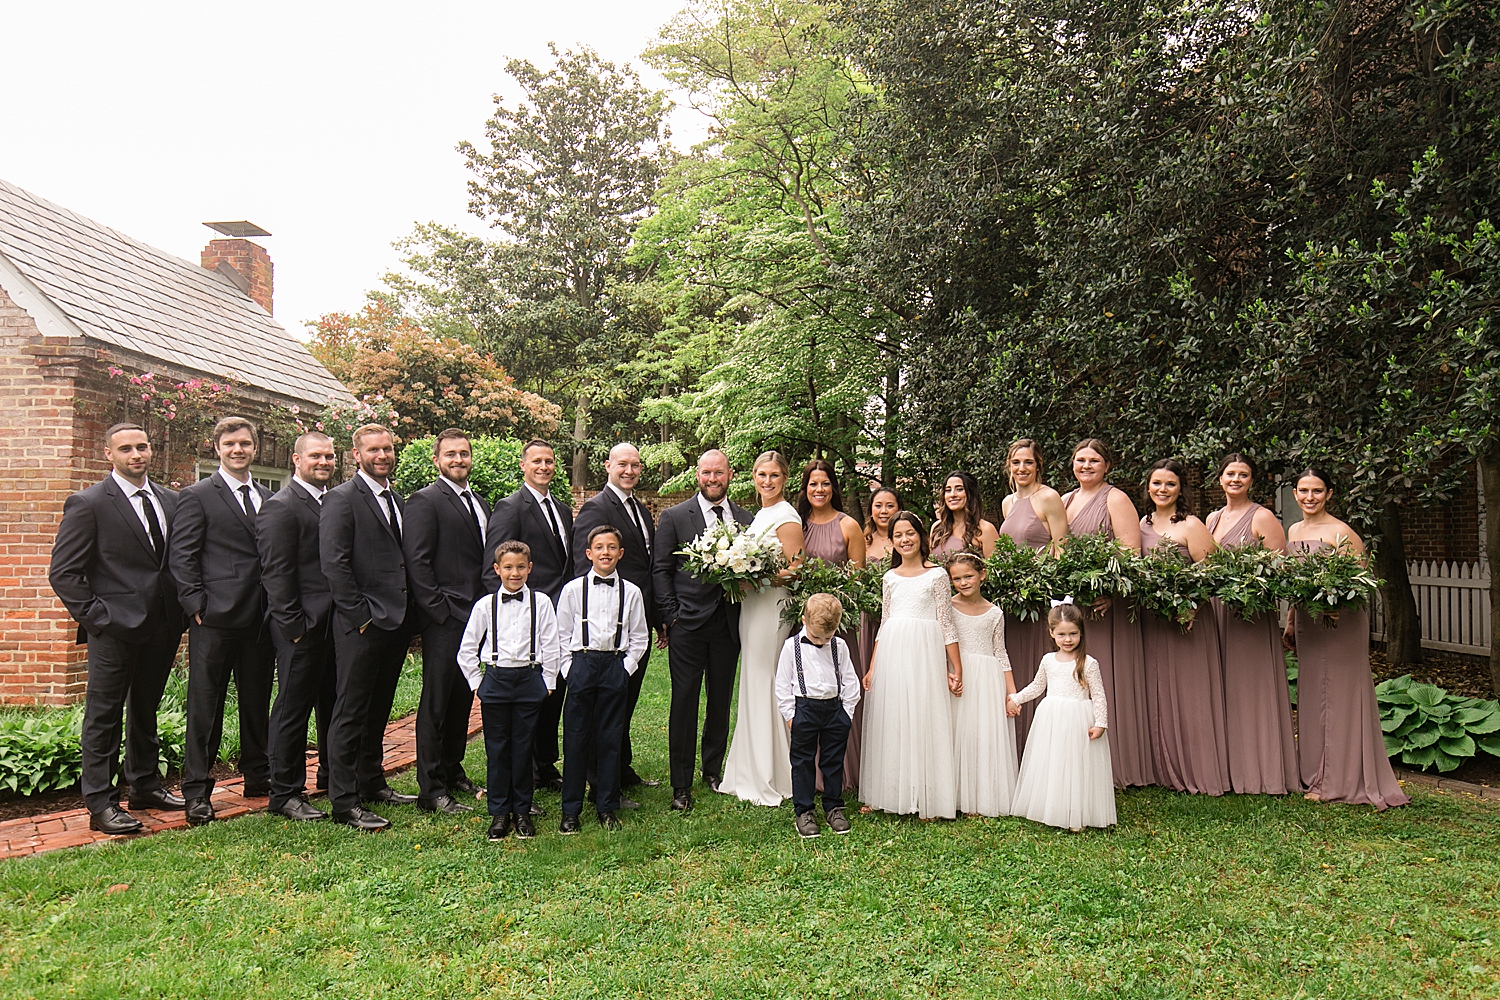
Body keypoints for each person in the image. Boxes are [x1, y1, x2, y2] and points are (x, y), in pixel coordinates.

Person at [49, 423, 187, 835]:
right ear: (109, 454)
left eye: (142, 446)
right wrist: (98, 619)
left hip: (161, 626)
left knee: (146, 710)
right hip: (112, 629)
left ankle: (145, 786)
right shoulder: (89, 503)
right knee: (104, 716)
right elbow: (64, 572)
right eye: (125, 448)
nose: (136, 455)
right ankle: (101, 803)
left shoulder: (171, 501)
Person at [168, 416, 275, 825]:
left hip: (260, 618)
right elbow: (182, 554)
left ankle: (257, 775)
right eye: (230, 444)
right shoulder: (197, 495)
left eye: (245, 443)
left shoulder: (267, 496)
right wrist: (195, 604)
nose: (238, 450)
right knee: (205, 705)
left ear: (254, 448)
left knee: (255, 700)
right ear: (218, 448)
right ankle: (197, 790)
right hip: (214, 619)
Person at [1284, 468, 1408, 810]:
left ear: (1329, 494)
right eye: (1304, 490)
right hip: (1309, 623)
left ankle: (1338, 779)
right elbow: (1296, 584)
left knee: (1339, 696)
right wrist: (1292, 621)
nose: (1310, 497)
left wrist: (1339, 603)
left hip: (1341, 624)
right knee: (1312, 695)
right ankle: (1315, 773)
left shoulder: (1342, 531)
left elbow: (1361, 580)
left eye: (1317, 491)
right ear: (1295, 493)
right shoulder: (1293, 530)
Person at [320, 423, 418, 832]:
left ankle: (372, 781)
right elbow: (334, 563)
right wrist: (359, 616)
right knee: (351, 710)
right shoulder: (342, 499)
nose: (383, 455)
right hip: (361, 624)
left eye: (389, 448)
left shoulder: (395, 498)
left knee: (378, 707)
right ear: (356, 455)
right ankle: (343, 801)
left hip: (395, 622)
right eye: (374, 450)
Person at [652, 450, 754, 811]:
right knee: (684, 702)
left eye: (719, 473)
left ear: (730, 474)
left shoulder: (746, 519)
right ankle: (680, 784)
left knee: (720, 700)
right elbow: (661, 570)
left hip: (728, 625)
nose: (713, 479)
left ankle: (712, 770)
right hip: (688, 626)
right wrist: (672, 616)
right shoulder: (675, 516)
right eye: (707, 473)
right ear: (698, 475)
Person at [402, 429, 490, 815]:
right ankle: (431, 788)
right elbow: (417, 562)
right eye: (451, 454)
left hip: (476, 619)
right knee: (436, 702)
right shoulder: (424, 501)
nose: (459, 460)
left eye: (465, 453)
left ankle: (453, 771)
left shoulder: (480, 502)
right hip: (445, 619)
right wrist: (438, 612)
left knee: (462, 699)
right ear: (436, 460)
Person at [483, 439, 576, 795]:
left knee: (553, 692)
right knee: (528, 698)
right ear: (523, 466)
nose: (544, 466)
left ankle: (544, 765)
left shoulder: (563, 509)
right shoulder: (510, 508)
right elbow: (496, 568)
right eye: (536, 461)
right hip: (528, 618)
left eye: (549, 461)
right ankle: (524, 771)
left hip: (560, 617)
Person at [1062, 438, 1154, 789]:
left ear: (1107, 466)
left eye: (1094, 460)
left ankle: (1119, 765)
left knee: (1106, 679)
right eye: (1080, 459)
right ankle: (1078, 759)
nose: (1086, 465)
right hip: (1075, 608)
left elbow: (1131, 551)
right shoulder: (1066, 500)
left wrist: (1113, 596)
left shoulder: (1116, 498)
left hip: (1106, 607)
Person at [1207, 453, 1300, 796]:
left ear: (1251, 480)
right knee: (1225, 687)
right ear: (1220, 479)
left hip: (1250, 615)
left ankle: (1261, 770)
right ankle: (1229, 767)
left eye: (1243, 474)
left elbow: (1279, 571)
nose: (1235, 479)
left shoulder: (1262, 517)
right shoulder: (1212, 518)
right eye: (1230, 473)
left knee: (1250, 687)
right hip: (1218, 612)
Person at [457, 540, 562, 840]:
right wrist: (478, 684)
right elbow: (466, 651)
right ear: (496, 570)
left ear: (529, 568)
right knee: (498, 749)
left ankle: (522, 811)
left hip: (529, 680)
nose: (514, 573)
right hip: (496, 681)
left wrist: (549, 681)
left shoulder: (541, 603)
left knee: (523, 748)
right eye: (508, 567)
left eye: (520, 567)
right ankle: (499, 813)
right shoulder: (484, 606)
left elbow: (551, 645)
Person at [259, 430, 339, 822]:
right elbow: (276, 573)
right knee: (293, 709)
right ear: (296, 460)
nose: (323, 462)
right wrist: (294, 626)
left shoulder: (334, 502)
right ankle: (285, 793)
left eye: (329, 456)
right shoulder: (282, 507)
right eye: (315, 457)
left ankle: (331, 775)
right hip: (302, 627)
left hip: (335, 625)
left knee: (332, 705)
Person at [860, 511, 962, 820]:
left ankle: (927, 795)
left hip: (924, 652)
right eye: (898, 535)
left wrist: (956, 668)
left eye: (911, 533)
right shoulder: (889, 578)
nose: (905, 539)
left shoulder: (938, 576)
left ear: (922, 536)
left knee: (924, 716)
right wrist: (873, 666)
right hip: (893, 651)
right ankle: (889, 791)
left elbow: (946, 623)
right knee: (894, 717)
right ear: (890, 542)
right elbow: (886, 621)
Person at [571, 443, 660, 792]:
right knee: (603, 709)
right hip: (608, 629)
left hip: (637, 620)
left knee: (624, 701)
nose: (629, 470)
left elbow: (645, 568)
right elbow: (585, 571)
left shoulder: (639, 508)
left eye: (635, 465)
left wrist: (654, 618)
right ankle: (600, 781)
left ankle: (620, 769)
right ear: (608, 465)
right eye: (622, 464)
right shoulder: (596, 508)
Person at [1138, 458, 1230, 796]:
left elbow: (1214, 573)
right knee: (1157, 691)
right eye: (1157, 483)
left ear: (1181, 489)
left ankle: (1198, 771)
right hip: (1152, 621)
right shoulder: (1142, 523)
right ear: (1148, 487)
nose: (1162, 490)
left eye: (1170, 484)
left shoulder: (1191, 525)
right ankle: (1162, 768)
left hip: (1187, 622)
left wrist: (1191, 608)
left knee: (1189, 695)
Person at [720, 451, 805, 807]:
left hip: (772, 605)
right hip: (752, 606)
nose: (766, 481)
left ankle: (772, 773)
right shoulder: (760, 515)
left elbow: (796, 569)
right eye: (760, 474)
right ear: (752, 476)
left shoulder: (786, 516)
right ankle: (748, 767)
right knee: (753, 682)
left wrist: (754, 578)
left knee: (766, 680)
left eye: (773, 475)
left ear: (785, 478)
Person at [554, 526, 650, 832]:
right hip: (581, 663)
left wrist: (626, 668)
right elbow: (559, 635)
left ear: (620, 554)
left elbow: (639, 637)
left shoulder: (632, 593)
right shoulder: (572, 590)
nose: (605, 553)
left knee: (610, 739)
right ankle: (570, 811)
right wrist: (569, 669)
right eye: (599, 547)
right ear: (589, 553)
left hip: (614, 665)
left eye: (611, 547)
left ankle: (607, 807)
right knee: (576, 739)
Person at [1008, 602, 1116, 831]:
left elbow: (1099, 695)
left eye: (1073, 634)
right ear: (1052, 634)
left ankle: (1077, 813)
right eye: (1062, 634)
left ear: (1081, 633)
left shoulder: (1088, 663)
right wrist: (1016, 699)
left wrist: (1101, 723)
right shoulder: (1048, 660)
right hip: (1052, 719)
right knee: (1055, 762)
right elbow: (1038, 686)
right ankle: (1055, 808)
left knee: (1076, 765)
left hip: (1078, 719)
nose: (1068, 639)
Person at [796, 459, 867, 793]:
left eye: (824, 483)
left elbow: (857, 579)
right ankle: (805, 773)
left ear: (833, 487)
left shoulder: (849, 525)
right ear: (805, 488)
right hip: (803, 623)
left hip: (839, 624)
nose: (819, 489)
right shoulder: (797, 525)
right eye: (813, 484)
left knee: (839, 690)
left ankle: (844, 772)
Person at [997, 439, 1070, 756]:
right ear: (1009, 466)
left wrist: (1051, 592)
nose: (1021, 468)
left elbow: (1062, 550)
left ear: (1038, 464)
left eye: (1028, 462)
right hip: (1014, 603)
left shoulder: (1049, 497)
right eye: (1016, 462)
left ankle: (1048, 751)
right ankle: (1018, 747)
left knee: (1044, 673)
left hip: (1041, 600)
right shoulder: (1007, 502)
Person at [776, 594, 860, 839]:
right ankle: (804, 810)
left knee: (833, 761)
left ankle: (833, 806)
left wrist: (847, 713)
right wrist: (790, 715)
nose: (822, 641)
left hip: (835, 710)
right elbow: (782, 684)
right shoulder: (791, 647)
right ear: (804, 621)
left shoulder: (839, 646)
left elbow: (850, 681)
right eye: (816, 637)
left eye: (828, 636)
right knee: (802, 761)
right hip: (804, 709)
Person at [947, 553, 1018, 817]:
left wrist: (1012, 694)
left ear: (982, 575)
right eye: (957, 578)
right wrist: (948, 672)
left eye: (968, 576)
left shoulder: (995, 613)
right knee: (955, 732)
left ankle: (978, 798)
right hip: (958, 673)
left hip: (987, 678)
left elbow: (1001, 652)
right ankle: (952, 796)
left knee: (981, 735)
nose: (963, 582)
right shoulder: (948, 607)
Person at [930, 470, 999, 557]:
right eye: (948, 490)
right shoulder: (937, 528)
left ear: (971, 494)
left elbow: (995, 569)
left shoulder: (985, 529)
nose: (953, 494)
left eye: (959, 489)